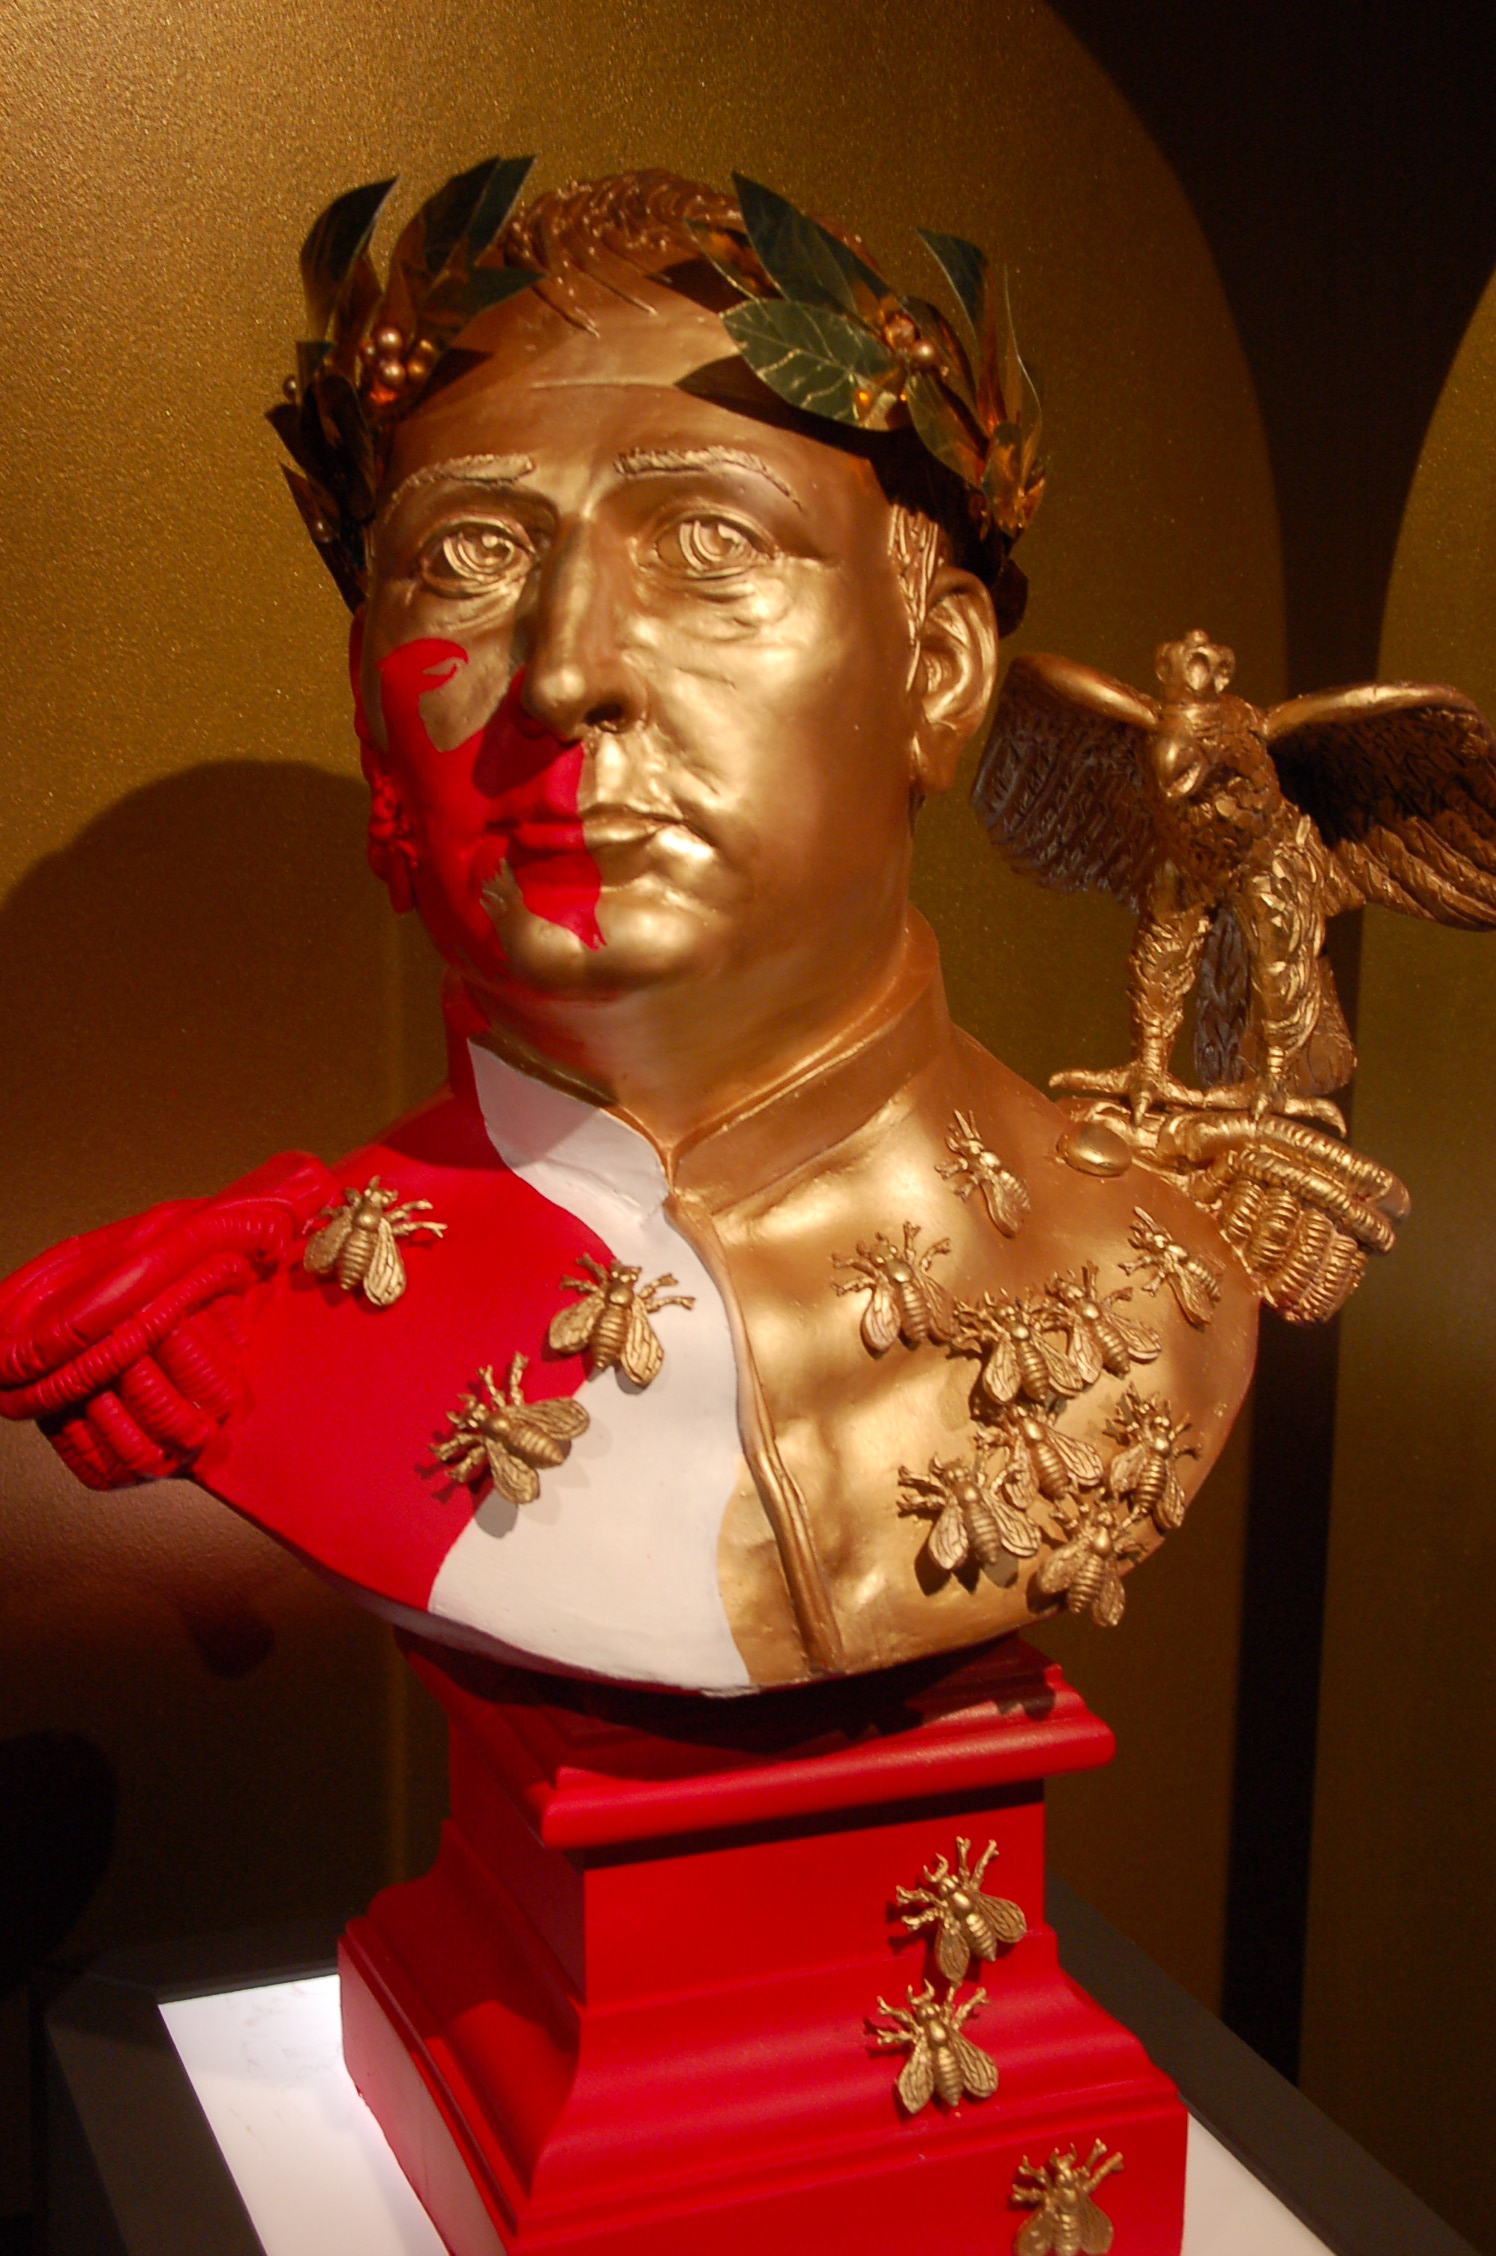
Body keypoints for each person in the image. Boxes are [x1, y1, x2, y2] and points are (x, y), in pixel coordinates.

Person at [0, 170, 1258, 1691]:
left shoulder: (1155, 1254)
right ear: (368, 699)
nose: (564, 672)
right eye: (471, 555)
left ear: (935, 673)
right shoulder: (260, 1341)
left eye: (713, 543)